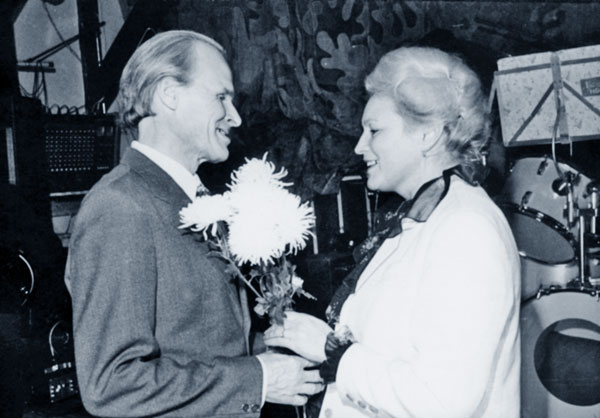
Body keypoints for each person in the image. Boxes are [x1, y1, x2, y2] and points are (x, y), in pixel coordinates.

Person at [65, 30, 323, 417]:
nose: (235, 117)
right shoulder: (119, 207)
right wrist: (258, 378)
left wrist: (275, 353)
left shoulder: (188, 199)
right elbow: (111, 383)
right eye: (221, 97)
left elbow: (197, 345)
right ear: (169, 94)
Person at [264, 46, 521, 418]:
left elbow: (443, 401)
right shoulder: (423, 214)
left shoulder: (466, 229)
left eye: (375, 130)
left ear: (427, 135)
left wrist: (332, 352)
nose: (359, 146)